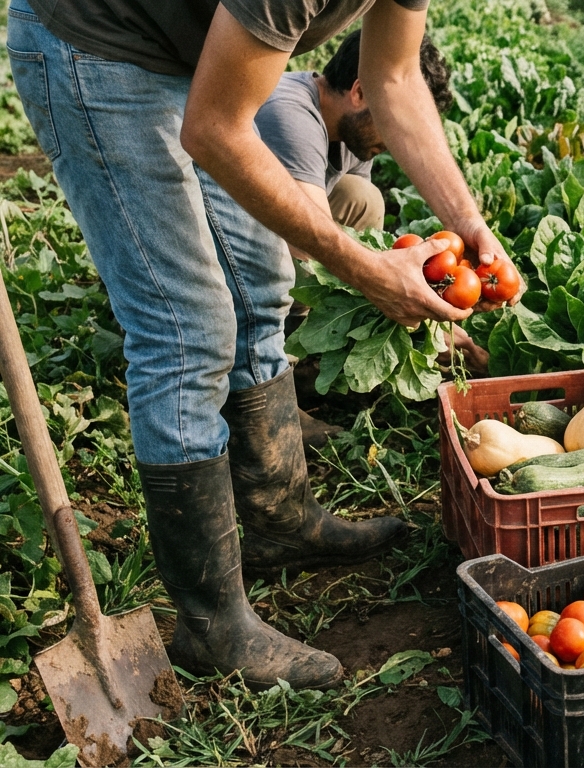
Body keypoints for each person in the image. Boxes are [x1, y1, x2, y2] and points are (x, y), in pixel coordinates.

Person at [7, 0, 519, 689]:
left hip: (190, 56)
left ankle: (281, 520)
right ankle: (211, 624)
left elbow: (393, 75)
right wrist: (365, 270)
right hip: (98, 51)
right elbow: (215, 131)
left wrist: (469, 223)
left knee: (260, 279)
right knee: (188, 326)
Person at [256, 29, 489, 448]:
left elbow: (351, 237)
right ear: (362, 92)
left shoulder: (347, 133)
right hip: (217, 247)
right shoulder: (289, 116)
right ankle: (268, 380)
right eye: (398, 120)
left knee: (362, 199)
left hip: (280, 233)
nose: (399, 140)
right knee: (294, 254)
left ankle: (306, 356)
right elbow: (310, 242)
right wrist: (417, 321)